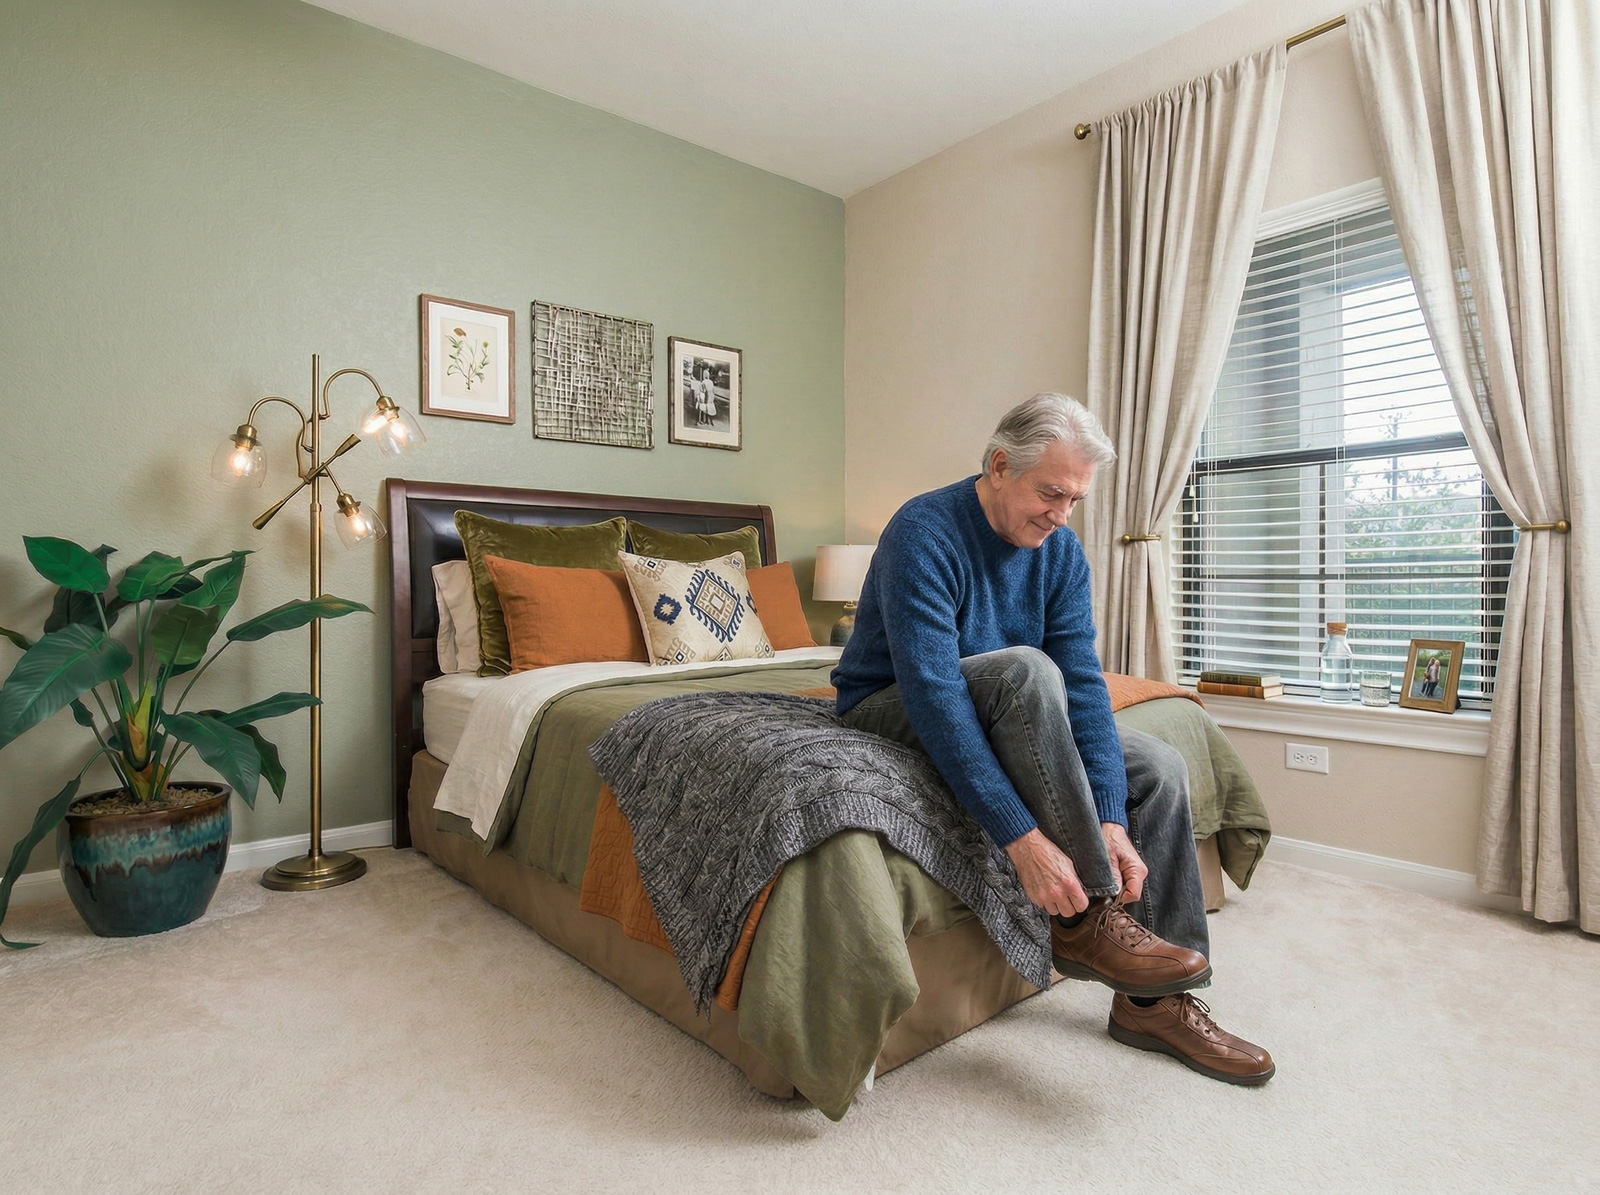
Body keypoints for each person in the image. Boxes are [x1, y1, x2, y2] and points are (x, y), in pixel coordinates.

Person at [833, 392, 1274, 1086]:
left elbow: (1084, 687)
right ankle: (1090, 920)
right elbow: (936, 697)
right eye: (1051, 492)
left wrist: (1110, 817)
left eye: (1075, 499)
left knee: (1156, 761)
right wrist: (1022, 839)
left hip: (1003, 702)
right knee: (1024, 669)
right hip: (892, 706)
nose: (1061, 514)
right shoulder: (923, 530)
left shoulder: (1060, 552)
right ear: (1000, 465)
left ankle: (1153, 1006)